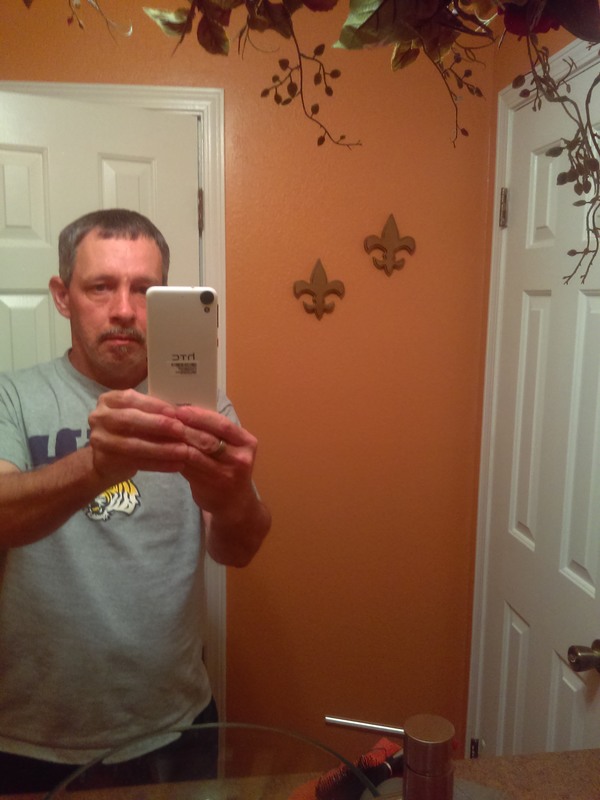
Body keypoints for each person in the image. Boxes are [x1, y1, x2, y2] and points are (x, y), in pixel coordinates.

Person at [0, 209, 271, 794]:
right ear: (62, 296)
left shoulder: (204, 409)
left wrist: (232, 498)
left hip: (177, 725)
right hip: (31, 735)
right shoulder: (12, 396)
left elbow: (240, 549)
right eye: (100, 286)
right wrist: (96, 465)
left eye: (145, 290)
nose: (124, 309)